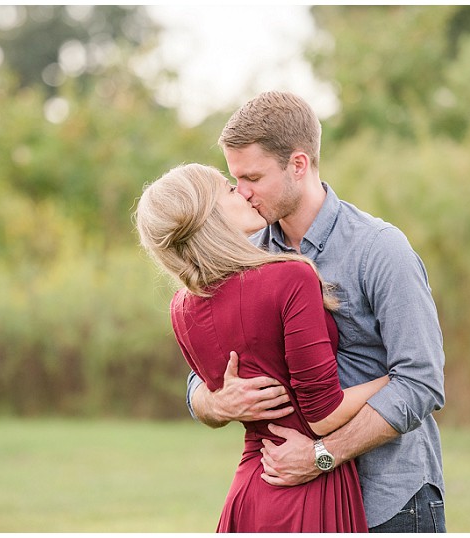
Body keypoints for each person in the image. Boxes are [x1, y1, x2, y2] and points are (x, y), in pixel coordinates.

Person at [186, 91, 447, 533]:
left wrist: (323, 454)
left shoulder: (379, 250)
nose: (241, 193)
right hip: (299, 507)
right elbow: (197, 379)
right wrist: (215, 401)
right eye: (236, 179)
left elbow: (421, 381)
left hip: (389, 503)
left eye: (253, 177)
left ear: (299, 165)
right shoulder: (246, 257)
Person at [136, 163, 390, 532]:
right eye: (228, 189)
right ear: (211, 217)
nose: (242, 193)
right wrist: (394, 379)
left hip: (250, 486)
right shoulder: (290, 277)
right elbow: (323, 414)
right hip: (305, 488)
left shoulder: (182, 308)